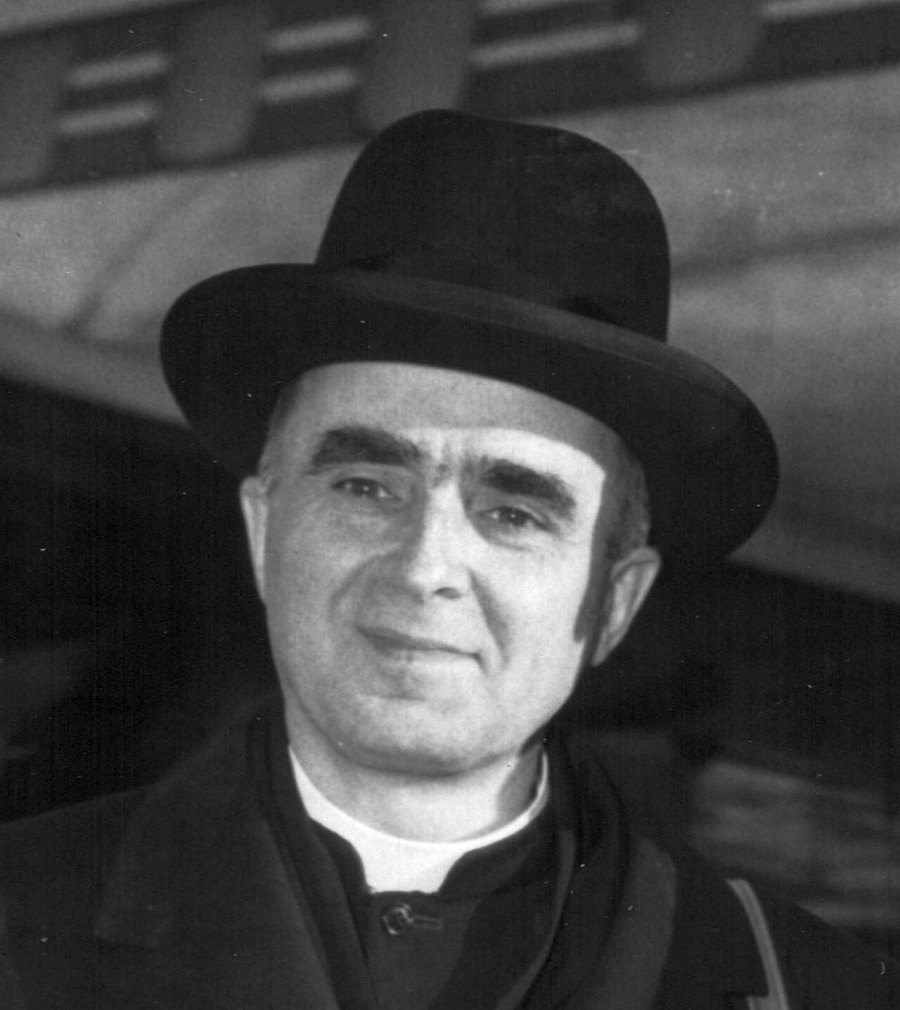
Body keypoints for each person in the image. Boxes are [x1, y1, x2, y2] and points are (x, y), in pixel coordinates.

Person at [0, 110, 895, 1009]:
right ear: (264, 530)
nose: (424, 566)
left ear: (614, 602)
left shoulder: (807, 990)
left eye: (513, 512)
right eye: (365, 487)